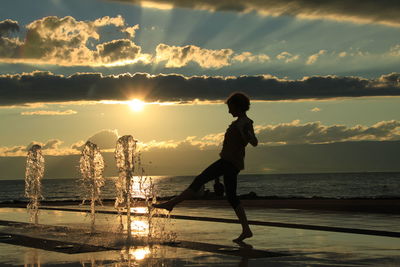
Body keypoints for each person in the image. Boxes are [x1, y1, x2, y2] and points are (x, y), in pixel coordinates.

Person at [152, 92, 258, 242]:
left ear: (237, 106)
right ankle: (246, 230)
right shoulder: (240, 123)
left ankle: (171, 204)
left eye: (230, 107)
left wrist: (248, 135)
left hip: (229, 162)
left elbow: (254, 142)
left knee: (200, 179)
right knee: (231, 196)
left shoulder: (245, 123)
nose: (229, 111)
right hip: (230, 163)